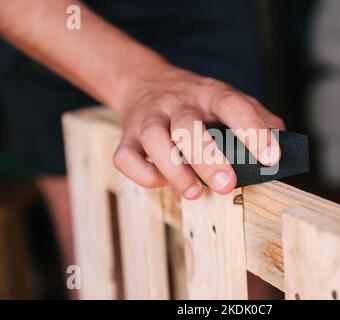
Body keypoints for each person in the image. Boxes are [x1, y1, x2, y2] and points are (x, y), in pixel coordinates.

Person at [0, 0, 284, 273]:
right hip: (49, 21)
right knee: (102, 257)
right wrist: (143, 83)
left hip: (201, 14)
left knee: (236, 252)